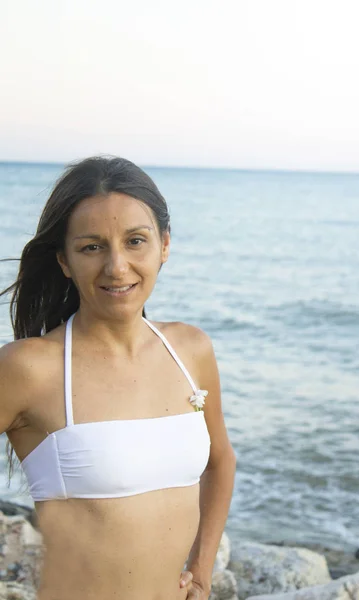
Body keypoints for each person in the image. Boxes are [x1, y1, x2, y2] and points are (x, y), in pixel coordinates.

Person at [0, 156, 236, 600]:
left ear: (164, 245)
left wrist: (201, 572)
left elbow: (220, 461)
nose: (117, 267)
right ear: (64, 260)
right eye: (92, 247)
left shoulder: (191, 350)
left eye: (135, 241)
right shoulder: (28, 368)